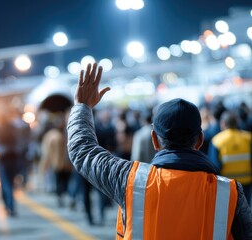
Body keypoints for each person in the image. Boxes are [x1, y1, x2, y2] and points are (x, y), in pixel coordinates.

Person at [67, 63, 252, 239]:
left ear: (154, 140)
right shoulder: (229, 192)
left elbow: (82, 151)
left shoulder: (131, 180)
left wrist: (82, 106)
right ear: (200, 140)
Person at [208, 111, 252, 205]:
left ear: (223, 123)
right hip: (246, 183)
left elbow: (214, 166)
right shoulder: (248, 138)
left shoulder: (217, 141)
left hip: (226, 185)